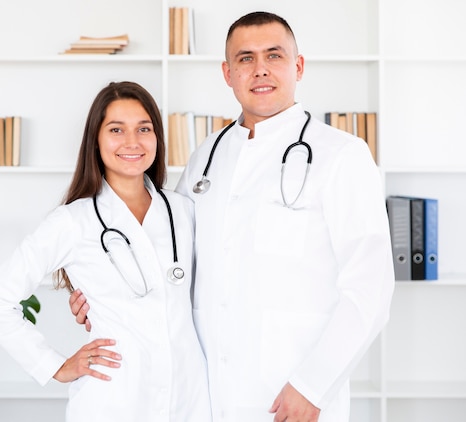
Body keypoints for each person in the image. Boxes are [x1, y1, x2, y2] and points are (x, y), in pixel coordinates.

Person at [69, 12, 395, 422]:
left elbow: (371, 289)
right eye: (245, 58)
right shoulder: (206, 156)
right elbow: (167, 254)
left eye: (274, 55)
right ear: (227, 73)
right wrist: (102, 293)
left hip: (293, 395)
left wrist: (314, 385)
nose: (260, 69)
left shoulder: (342, 155)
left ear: (298, 66)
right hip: (205, 393)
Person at [0, 81, 212, 422]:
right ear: (96, 140)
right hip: (113, 401)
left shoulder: (183, 211)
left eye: (143, 129)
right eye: (117, 129)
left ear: (157, 137)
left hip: (188, 400)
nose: (132, 142)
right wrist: (54, 365)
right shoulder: (72, 221)